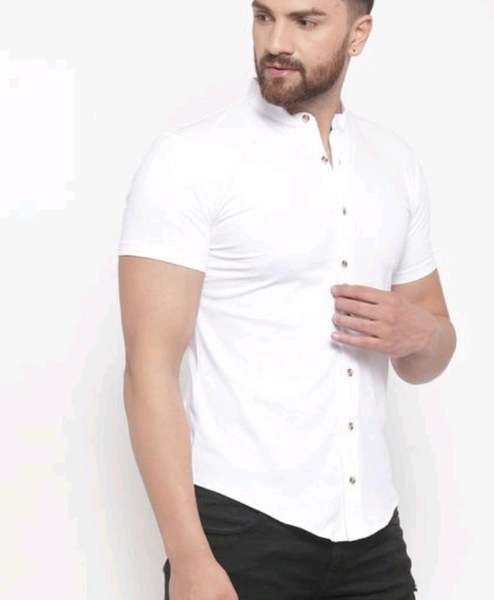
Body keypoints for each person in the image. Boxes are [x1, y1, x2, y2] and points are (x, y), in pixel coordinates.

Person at [117, 0, 456, 598]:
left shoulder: (394, 164)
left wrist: (421, 334)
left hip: (372, 532)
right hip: (239, 530)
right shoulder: (190, 159)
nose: (275, 41)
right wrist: (188, 557)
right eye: (263, 16)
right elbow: (149, 370)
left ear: (358, 35)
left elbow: (430, 351)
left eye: (305, 21)